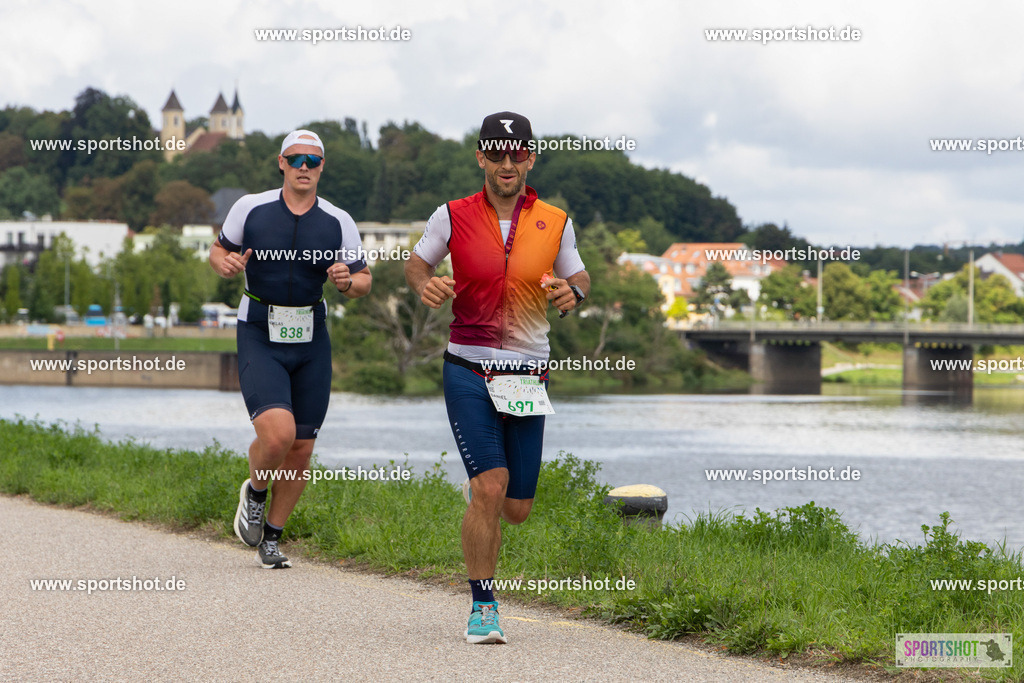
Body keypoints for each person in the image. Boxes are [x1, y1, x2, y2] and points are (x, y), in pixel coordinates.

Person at [405, 112, 590, 643]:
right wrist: (426, 283)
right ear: (481, 157)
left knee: (517, 507)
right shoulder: (452, 215)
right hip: (468, 365)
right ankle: (483, 607)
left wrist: (572, 292)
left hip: (528, 374)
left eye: (517, 154)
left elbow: (578, 275)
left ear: (530, 158)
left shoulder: (555, 220)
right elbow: (416, 263)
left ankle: (484, 503)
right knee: (491, 485)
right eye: (497, 153)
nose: (507, 164)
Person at [210, 129, 371, 568]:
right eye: (296, 159)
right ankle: (256, 492)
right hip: (259, 329)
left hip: (311, 335)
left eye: (313, 161)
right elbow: (218, 250)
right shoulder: (251, 208)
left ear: (322, 168)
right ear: (280, 162)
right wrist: (223, 263)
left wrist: (347, 283)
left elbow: (363, 280)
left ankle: (273, 538)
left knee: (301, 446)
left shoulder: (338, 220)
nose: (304, 167)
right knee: (277, 434)